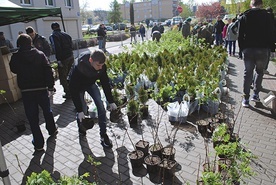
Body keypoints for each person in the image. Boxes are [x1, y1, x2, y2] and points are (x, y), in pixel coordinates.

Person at [9, 34, 57, 152]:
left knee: (32, 117)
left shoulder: (16, 57)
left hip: (26, 91)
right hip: (41, 89)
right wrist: (50, 87)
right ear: (31, 43)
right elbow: (48, 71)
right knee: (47, 111)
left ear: (19, 44)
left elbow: (13, 69)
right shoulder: (40, 55)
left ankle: (38, 144)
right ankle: (52, 129)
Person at [68, 50, 117, 148]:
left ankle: (103, 135)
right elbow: (73, 90)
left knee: (100, 105)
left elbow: (105, 84)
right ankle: (81, 128)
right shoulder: (79, 68)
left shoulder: (101, 67)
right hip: (78, 87)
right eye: (98, 65)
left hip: (90, 84)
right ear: (91, 60)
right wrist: (79, 110)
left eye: (102, 65)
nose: (101, 67)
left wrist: (111, 101)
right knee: (83, 110)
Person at [238, 0, 274, 107]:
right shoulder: (267, 16)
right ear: (261, 4)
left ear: (251, 4)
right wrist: (272, 49)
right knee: (259, 72)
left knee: (247, 73)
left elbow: (240, 35)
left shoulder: (245, 16)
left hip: (248, 49)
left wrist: (241, 49)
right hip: (262, 49)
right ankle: (256, 94)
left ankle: (246, 99)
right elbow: (271, 33)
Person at [49, 22, 74, 99]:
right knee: (70, 75)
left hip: (63, 58)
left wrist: (59, 60)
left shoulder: (53, 36)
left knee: (63, 77)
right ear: (59, 27)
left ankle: (68, 93)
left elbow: (56, 48)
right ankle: (73, 90)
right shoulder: (66, 35)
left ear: (52, 28)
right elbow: (71, 45)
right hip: (70, 56)